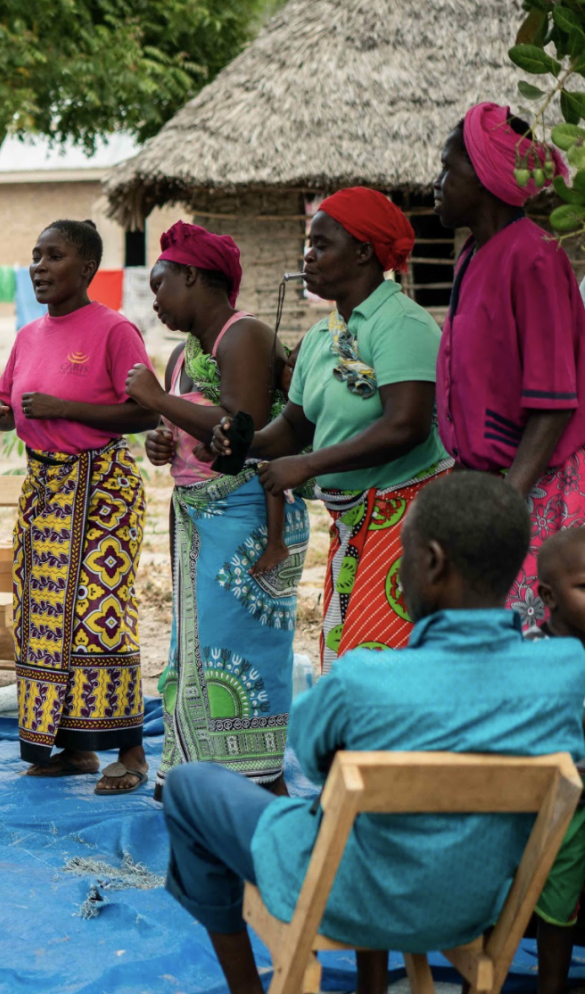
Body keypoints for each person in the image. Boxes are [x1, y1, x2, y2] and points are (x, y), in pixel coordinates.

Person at [162, 472, 585, 994]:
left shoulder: (364, 677)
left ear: (430, 562)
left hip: (348, 898)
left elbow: (315, 762)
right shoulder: (565, 671)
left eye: (401, 554)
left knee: (189, 785)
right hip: (472, 906)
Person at [213, 187, 451, 673]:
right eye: (308, 243)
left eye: (322, 245)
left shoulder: (403, 325)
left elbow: (404, 425)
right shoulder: (324, 336)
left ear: (364, 251)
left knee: (375, 662)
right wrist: (244, 442)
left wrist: (309, 465)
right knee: (347, 660)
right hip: (351, 525)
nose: (308, 255)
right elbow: (294, 428)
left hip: (407, 520)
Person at [125, 222, 308, 799]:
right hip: (200, 521)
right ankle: (194, 770)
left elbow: (244, 431)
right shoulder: (185, 355)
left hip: (248, 519)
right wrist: (162, 437)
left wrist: (157, 399)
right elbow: (183, 425)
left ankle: (257, 777)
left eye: (161, 286)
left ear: (194, 277)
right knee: (195, 648)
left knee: (239, 648)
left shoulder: (244, 335)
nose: (155, 301)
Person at [0, 219, 156, 795]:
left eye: (54, 257)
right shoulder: (30, 335)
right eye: (35, 256)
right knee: (42, 619)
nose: (39, 267)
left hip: (103, 487)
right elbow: (11, 403)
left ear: (86, 269)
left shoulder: (114, 329)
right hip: (46, 488)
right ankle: (72, 748)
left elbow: (145, 413)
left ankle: (129, 754)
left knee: (97, 614)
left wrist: (62, 407)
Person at [433, 102, 585, 629]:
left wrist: (506, 503)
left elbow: (555, 402)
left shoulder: (535, 256)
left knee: (527, 641)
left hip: (536, 488)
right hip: (493, 485)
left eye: (448, 169)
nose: (436, 182)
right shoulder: (473, 255)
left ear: (485, 177)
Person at [530, 527, 585, 994]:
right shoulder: (532, 657)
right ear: (548, 595)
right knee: (545, 904)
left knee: (562, 906)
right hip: (544, 804)